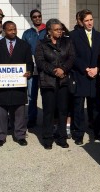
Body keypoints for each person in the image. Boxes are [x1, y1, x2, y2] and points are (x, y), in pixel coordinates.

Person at [0, 21, 34, 147]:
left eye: (14, 29)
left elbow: (29, 63)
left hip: (18, 84)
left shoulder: (24, 45)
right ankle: (0, 137)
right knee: (1, 112)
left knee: (20, 111)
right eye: (10, 30)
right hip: (2, 85)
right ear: (4, 30)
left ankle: (20, 135)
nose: (13, 32)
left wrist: (29, 72)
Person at [35, 19, 75, 149]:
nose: (60, 31)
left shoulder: (67, 42)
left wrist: (63, 69)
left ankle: (62, 137)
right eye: (57, 29)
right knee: (49, 111)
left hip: (63, 82)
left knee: (63, 111)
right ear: (49, 31)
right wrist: (54, 70)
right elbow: (40, 62)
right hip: (48, 82)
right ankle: (47, 138)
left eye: (61, 29)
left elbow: (71, 57)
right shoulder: (41, 44)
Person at [70, 9, 100, 144]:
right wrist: (86, 69)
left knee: (96, 107)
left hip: (95, 77)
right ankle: (78, 134)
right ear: (81, 21)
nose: (90, 22)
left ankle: (98, 132)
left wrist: (97, 69)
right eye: (86, 20)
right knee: (78, 107)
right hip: (81, 76)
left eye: (91, 19)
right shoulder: (73, 36)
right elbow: (73, 56)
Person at [22, 9, 47, 128]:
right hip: (32, 69)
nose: (37, 18)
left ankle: (47, 119)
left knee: (46, 95)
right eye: (35, 17)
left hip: (45, 70)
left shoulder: (48, 31)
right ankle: (32, 119)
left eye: (39, 16)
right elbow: (22, 51)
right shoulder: (27, 34)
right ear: (31, 19)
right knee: (31, 96)